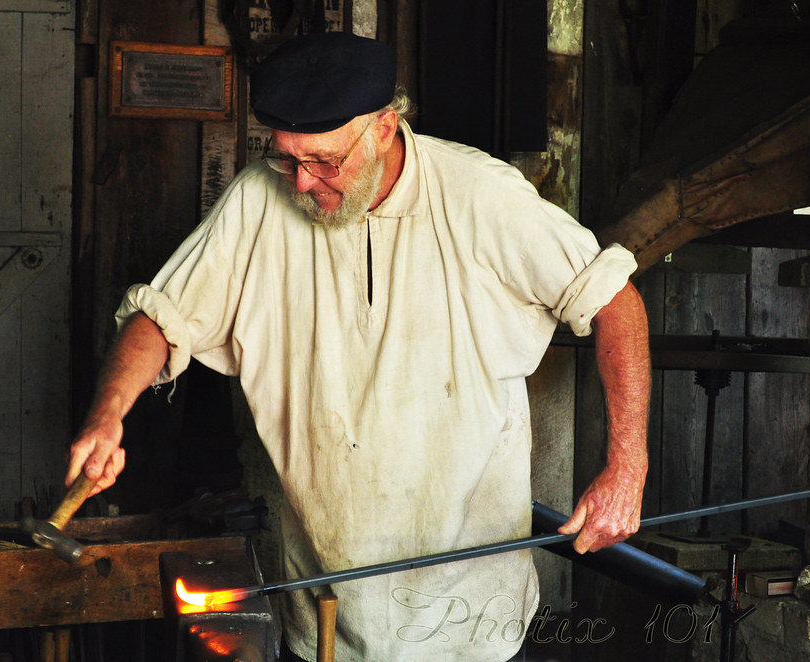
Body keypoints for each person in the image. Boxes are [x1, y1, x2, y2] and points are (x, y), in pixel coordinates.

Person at [66, 31, 650, 662]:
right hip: (322, 609)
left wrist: (627, 466)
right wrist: (107, 416)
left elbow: (615, 301)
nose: (300, 183)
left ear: (384, 127)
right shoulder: (258, 200)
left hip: (468, 616)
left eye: (324, 161)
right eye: (287, 158)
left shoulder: (480, 195)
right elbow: (161, 316)